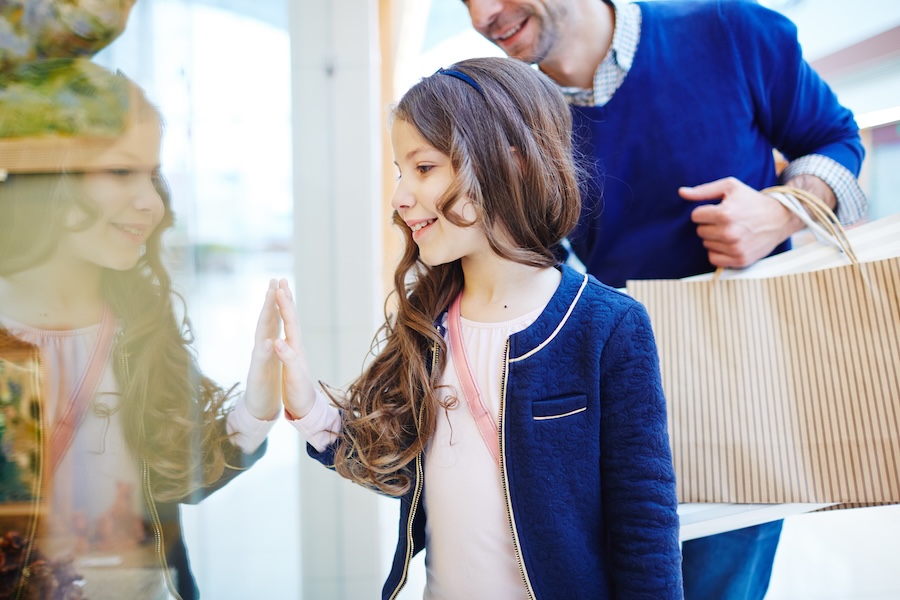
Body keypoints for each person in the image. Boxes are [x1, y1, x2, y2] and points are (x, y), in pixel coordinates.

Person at [459, 0, 868, 598]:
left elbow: (837, 141)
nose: (483, 14)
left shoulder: (731, 30)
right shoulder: (516, 123)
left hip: (747, 401)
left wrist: (779, 212)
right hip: (600, 409)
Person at [273, 56, 683, 599]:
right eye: (400, 172)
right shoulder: (429, 320)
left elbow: (645, 528)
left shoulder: (607, 325)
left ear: (508, 164)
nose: (399, 196)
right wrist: (309, 407)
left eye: (423, 168)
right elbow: (392, 464)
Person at [0, 57, 281, 599]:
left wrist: (257, 409)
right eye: (120, 171)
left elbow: (180, 472)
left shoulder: (137, 320)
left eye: (152, 174)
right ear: (44, 170)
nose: (151, 203)